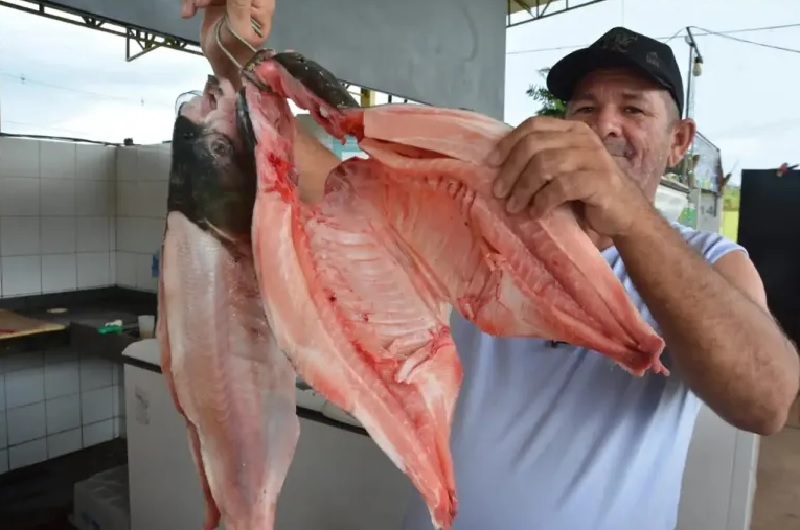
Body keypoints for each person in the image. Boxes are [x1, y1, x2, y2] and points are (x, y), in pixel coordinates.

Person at [184, 6, 800, 528]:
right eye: (584, 109)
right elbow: (306, 167)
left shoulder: (711, 260)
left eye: (634, 110)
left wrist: (632, 218)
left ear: (680, 140)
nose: (604, 126)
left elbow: (767, 401)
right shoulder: (474, 216)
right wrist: (232, 57)